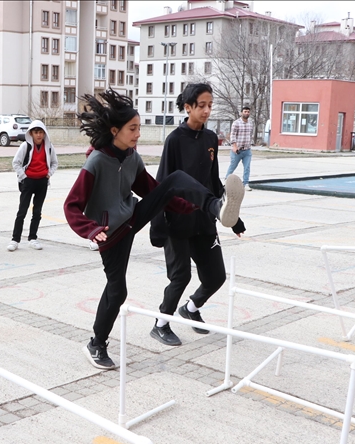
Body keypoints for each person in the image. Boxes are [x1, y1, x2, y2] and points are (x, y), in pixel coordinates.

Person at [64, 88, 243, 370]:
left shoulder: (131, 157)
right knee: (117, 291)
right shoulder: (96, 161)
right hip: (109, 234)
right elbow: (71, 206)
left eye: (139, 127)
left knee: (175, 179)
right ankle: (96, 343)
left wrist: (189, 207)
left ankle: (214, 207)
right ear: (115, 130)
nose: (138, 134)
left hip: (132, 218)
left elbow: (153, 190)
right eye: (132, 129)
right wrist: (90, 229)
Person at [149, 84, 248, 347]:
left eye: (210, 105)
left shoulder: (210, 139)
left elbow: (213, 180)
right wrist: (157, 225)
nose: (206, 110)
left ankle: (191, 308)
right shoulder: (174, 140)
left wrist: (232, 217)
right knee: (180, 276)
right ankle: (160, 324)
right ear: (188, 107)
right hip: (177, 220)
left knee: (216, 276)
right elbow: (162, 183)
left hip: (204, 218)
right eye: (201, 105)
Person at [7, 120, 59, 251]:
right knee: (22, 211)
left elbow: (54, 163)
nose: (39, 135)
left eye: (41, 132)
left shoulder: (49, 147)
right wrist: (23, 176)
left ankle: (33, 238)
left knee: (37, 212)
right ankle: (15, 239)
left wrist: (49, 174)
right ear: (31, 133)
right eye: (36, 132)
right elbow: (16, 163)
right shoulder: (25, 146)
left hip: (42, 182)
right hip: (28, 182)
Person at [226, 106, 254, 191]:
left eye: (248, 112)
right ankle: (226, 181)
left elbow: (250, 134)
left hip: (247, 150)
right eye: (245, 111)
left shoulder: (250, 123)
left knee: (247, 167)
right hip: (237, 150)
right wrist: (234, 146)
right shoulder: (236, 123)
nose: (246, 113)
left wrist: (250, 143)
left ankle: (245, 183)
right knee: (233, 166)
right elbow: (233, 135)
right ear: (241, 113)